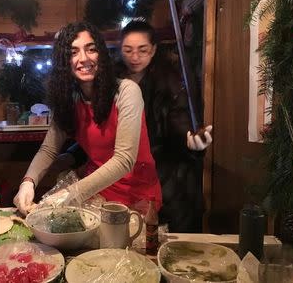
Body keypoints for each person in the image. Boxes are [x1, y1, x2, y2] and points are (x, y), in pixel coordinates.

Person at [54, 20, 213, 232]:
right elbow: (101, 132)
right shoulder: (108, 80)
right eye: (128, 50)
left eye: (142, 50)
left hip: (162, 172)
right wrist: (74, 154)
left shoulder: (169, 82)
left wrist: (190, 143)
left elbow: (178, 124)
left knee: (155, 237)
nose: (135, 57)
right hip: (117, 179)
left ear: (154, 49)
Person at [13, 22, 162, 215]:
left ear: (101, 54)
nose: (83, 59)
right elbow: (49, 148)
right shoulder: (70, 98)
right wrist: (28, 182)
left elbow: (124, 160)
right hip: (95, 192)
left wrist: (70, 193)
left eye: (91, 49)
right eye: (73, 52)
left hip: (136, 193)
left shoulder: (127, 91)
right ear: (64, 61)